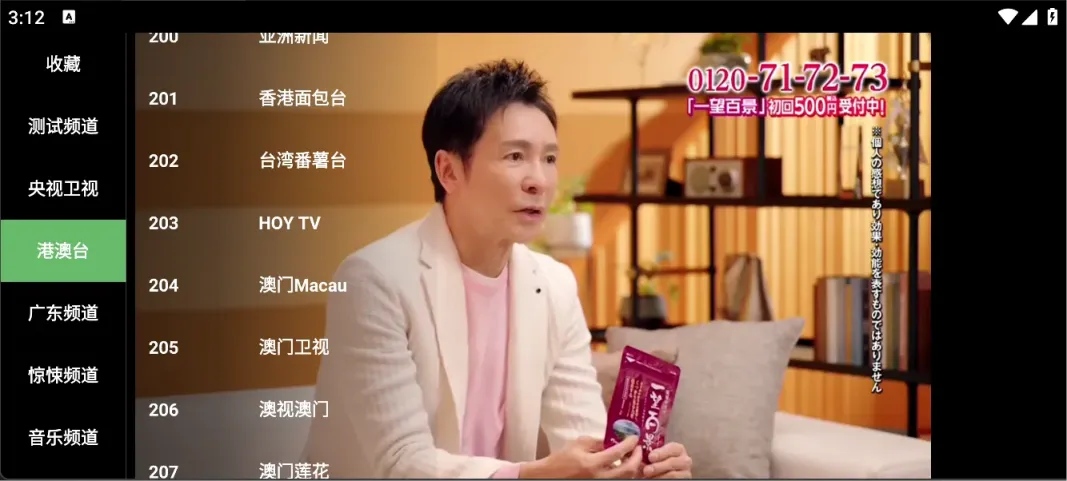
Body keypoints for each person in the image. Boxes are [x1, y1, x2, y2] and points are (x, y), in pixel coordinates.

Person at [302, 59, 692, 479]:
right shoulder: (374, 279)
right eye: (515, 156)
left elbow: (584, 438)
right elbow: (401, 461)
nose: (539, 180)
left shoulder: (555, 285)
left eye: (549, 158)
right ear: (449, 171)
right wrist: (533, 474)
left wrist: (633, 468)